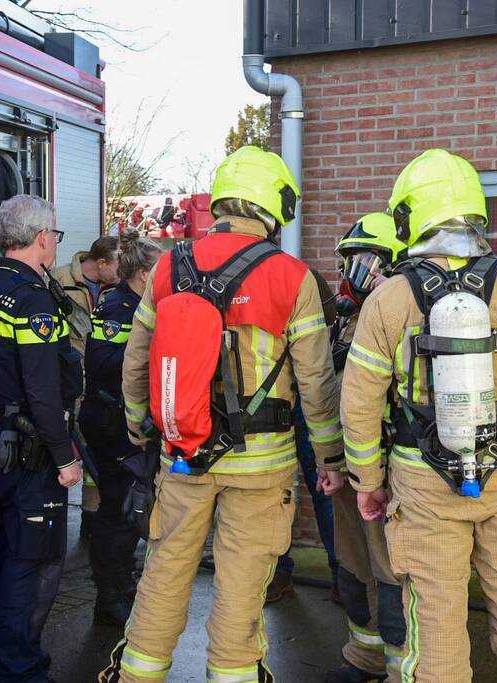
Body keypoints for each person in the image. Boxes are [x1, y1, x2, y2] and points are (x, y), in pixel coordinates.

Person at [99, 146, 345, 683]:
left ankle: (136, 674)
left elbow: (137, 358)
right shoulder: (293, 278)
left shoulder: (168, 266)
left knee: (164, 571)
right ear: (274, 205)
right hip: (262, 466)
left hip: (184, 453)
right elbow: (317, 382)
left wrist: (140, 422)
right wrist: (330, 455)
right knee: (241, 584)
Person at [341, 150, 497, 683]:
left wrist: (367, 483)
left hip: (422, 479)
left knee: (436, 618)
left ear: (408, 217)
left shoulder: (388, 301)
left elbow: (358, 403)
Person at [0, 194, 84, 683]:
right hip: (33, 450)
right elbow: (42, 388)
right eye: (54, 236)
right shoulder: (33, 298)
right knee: (29, 562)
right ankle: (20, 671)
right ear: (42, 238)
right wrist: (65, 458)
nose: (54, 243)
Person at [325, 213, 408, 683]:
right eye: (348, 259)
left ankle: (399, 669)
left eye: (363, 259)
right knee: (352, 565)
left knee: (390, 571)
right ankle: (364, 656)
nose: (352, 270)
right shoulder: (347, 318)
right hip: (346, 469)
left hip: (385, 474)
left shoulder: (402, 317)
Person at [79, 230, 163, 626]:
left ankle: (120, 584)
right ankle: (109, 597)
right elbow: (100, 364)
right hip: (110, 424)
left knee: (130, 509)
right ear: (144, 274)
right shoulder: (118, 308)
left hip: (127, 423)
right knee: (119, 510)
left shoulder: (144, 305)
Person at [266, 269, 340, 605]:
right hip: (298, 403)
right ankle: (343, 579)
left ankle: (278, 575)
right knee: (323, 491)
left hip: (273, 406)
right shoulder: (305, 280)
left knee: (276, 492)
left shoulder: (263, 280)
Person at [53, 236, 120, 538]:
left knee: (97, 453)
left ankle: (93, 521)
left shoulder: (118, 290)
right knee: (61, 455)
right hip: (65, 386)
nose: (124, 269)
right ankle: (52, 517)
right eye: (118, 263)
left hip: (102, 389)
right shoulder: (56, 281)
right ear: (101, 262)